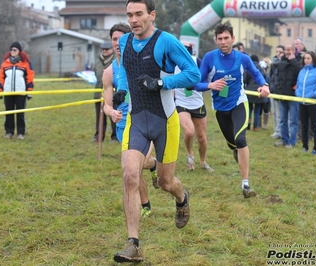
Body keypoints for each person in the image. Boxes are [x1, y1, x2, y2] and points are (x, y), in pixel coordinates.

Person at [113, 0, 201, 262]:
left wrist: (162, 82)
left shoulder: (167, 41)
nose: (134, 20)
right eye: (129, 15)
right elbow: (124, 72)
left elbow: (193, 74)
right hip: (136, 120)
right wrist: (121, 90)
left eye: (139, 14)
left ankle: (181, 196)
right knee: (130, 175)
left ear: (151, 15)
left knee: (165, 182)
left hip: (165, 122)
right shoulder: (124, 42)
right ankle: (134, 244)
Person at [195, 22, 270, 198]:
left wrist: (264, 85)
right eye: (219, 39)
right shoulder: (209, 58)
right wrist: (210, 85)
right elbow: (195, 84)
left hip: (238, 103)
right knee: (233, 144)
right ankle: (237, 151)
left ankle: (245, 184)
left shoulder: (242, 58)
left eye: (226, 38)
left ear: (233, 39)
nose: (223, 42)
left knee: (240, 138)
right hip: (220, 109)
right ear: (216, 40)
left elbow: (256, 73)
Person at [102, 22, 158, 219]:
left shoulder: (142, 63)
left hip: (144, 120)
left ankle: (152, 166)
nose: (117, 43)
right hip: (123, 124)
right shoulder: (109, 72)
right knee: (133, 169)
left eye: (121, 39)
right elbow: (106, 104)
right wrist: (111, 113)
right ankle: (146, 205)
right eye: (114, 39)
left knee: (138, 164)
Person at [174, 41, 214, 172]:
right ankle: (190, 154)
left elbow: (207, 80)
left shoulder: (197, 62)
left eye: (187, 49)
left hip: (197, 103)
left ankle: (203, 162)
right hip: (181, 103)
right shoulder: (172, 64)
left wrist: (197, 83)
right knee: (189, 131)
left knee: (201, 137)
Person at [0, 42, 34, 140]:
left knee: (20, 113)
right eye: (11, 50)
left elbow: (30, 77)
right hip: (8, 92)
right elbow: (1, 77)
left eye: (15, 50)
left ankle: (21, 133)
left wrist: (29, 91)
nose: (12, 52)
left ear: (19, 51)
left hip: (20, 92)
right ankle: (9, 132)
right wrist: (0, 90)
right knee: (9, 112)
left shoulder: (25, 63)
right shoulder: (5, 63)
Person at [295, 51, 316, 155]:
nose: (306, 60)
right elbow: (298, 84)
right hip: (302, 103)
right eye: (305, 58)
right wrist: (297, 93)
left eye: (308, 58)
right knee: (304, 125)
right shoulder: (302, 71)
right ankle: (305, 146)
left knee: (314, 126)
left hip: (313, 103)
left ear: (313, 59)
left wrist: (313, 94)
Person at [273, 44, 301, 148]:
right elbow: (278, 75)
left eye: (289, 50)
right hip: (282, 94)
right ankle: (284, 140)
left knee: (293, 121)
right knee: (282, 120)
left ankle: (292, 142)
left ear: (294, 51)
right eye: (286, 49)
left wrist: (293, 60)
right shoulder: (282, 61)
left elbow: (298, 72)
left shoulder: (297, 61)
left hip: (293, 96)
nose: (287, 51)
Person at [91, 41, 117, 142]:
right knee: (99, 116)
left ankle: (115, 136)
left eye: (107, 49)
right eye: (103, 49)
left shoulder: (116, 61)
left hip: (112, 93)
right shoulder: (97, 61)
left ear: (112, 49)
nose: (105, 51)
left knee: (113, 115)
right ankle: (98, 136)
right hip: (98, 92)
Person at [245, 54, 267, 131]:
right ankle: (255, 127)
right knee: (257, 110)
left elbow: (245, 79)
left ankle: (248, 125)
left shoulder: (248, 67)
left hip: (250, 91)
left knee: (249, 109)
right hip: (259, 91)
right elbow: (264, 78)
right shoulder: (261, 68)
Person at [269, 45, 285, 139]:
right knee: (274, 112)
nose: (278, 54)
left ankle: (280, 131)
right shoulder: (273, 63)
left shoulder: (284, 63)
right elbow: (271, 76)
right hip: (273, 90)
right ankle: (276, 130)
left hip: (280, 91)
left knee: (279, 113)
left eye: (280, 52)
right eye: (277, 51)